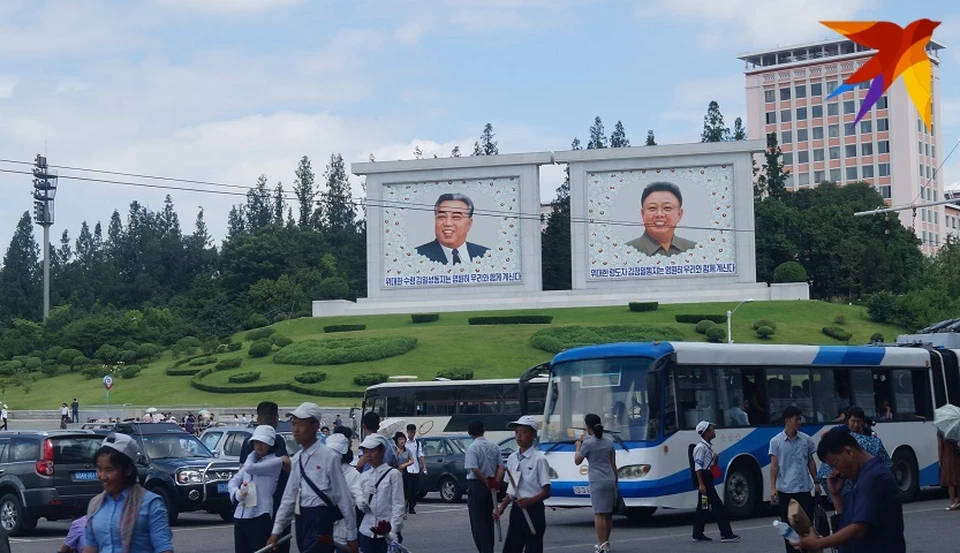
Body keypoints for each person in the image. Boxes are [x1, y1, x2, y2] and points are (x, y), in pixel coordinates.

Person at [268, 402, 358, 553]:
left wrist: (352, 534)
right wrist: (276, 532)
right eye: (293, 424)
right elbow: (289, 499)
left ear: (315, 426)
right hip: (302, 518)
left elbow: (343, 497)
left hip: (320, 518)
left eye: (301, 425)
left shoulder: (329, 457)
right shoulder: (297, 459)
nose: (295, 430)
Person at [797, 428, 905, 552]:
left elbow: (859, 529)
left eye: (835, 464)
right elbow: (848, 523)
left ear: (849, 452)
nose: (835, 471)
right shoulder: (860, 477)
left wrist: (818, 543)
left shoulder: (874, 477)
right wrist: (836, 496)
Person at [83, 433, 174, 553]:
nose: (102, 476)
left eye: (109, 470)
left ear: (127, 470)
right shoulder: (95, 505)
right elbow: (90, 547)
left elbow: (163, 548)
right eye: (99, 469)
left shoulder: (151, 503)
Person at [494, 415, 551, 553]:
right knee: (511, 548)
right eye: (517, 432)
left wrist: (530, 500)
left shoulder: (539, 459)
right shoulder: (513, 458)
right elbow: (512, 488)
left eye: (523, 432)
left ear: (533, 435)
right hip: (517, 509)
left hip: (533, 509)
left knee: (533, 548)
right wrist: (501, 507)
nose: (519, 436)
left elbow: (547, 491)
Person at [241, 402, 292, 553]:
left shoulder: (247, 441)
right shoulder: (277, 439)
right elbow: (286, 463)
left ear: (257, 418)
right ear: (276, 419)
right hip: (276, 502)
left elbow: (242, 472)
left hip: (251, 505)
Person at [768, 406, 819, 553]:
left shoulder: (806, 440)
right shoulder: (776, 441)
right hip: (786, 491)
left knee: (806, 526)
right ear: (787, 420)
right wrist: (772, 487)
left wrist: (816, 481)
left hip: (803, 490)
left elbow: (810, 462)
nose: (799, 422)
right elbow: (774, 466)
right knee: (789, 529)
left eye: (800, 418)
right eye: (796, 419)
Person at [229, 425, 284, 553]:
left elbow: (249, 468)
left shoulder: (275, 462)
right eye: (256, 442)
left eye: (263, 442)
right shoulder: (252, 460)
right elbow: (233, 481)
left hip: (260, 515)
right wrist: (237, 494)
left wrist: (251, 453)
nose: (259, 445)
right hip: (241, 515)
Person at [574, 414, 618, 553]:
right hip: (610, 479)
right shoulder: (609, 442)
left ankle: (602, 544)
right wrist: (616, 481)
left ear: (587, 427)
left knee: (598, 513)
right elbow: (613, 464)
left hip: (596, 480)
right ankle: (606, 542)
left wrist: (577, 446)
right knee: (607, 513)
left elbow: (577, 461)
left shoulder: (588, 443)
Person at [691, 421, 739, 543]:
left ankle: (697, 533)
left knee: (703, 507)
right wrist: (701, 484)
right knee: (719, 507)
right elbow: (698, 467)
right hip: (705, 482)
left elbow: (714, 471)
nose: (714, 431)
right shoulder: (700, 448)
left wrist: (716, 461)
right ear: (706, 432)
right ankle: (726, 534)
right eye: (712, 429)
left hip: (708, 479)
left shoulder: (708, 447)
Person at [356, 433, 405, 553]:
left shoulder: (393, 475)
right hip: (367, 531)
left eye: (372, 451)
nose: (368, 455)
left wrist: (393, 530)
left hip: (386, 532)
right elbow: (359, 493)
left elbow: (398, 505)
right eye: (365, 452)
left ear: (382, 450)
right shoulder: (365, 476)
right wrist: (360, 502)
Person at [625, 181, 696, 256]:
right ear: (643, 214)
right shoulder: (626, 252)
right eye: (652, 208)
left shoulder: (694, 250)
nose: (659, 214)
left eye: (667, 208)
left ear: (679, 214)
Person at [416, 193, 490, 264]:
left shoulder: (486, 256)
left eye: (456, 217)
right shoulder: (417, 257)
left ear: (469, 224)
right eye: (442, 217)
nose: (448, 223)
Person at [464, 420, 504, 553]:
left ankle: (484, 550)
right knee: (489, 520)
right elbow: (500, 467)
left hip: (477, 485)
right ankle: (489, 549)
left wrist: (485, 483)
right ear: (484, 430)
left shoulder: (472, 448)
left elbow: (474, 469)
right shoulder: (494, 446)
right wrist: (495, 483)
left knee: (478, 522)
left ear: (469, 432)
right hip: (491, 485)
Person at [327, 432, 363, 549]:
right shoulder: (322, 472)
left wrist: (363, 502)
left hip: (343, 533)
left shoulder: (353, 475)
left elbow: (359, 497)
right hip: (324, 530)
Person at [403, 423, 426, 514]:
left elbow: (420, 455)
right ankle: (406, 506)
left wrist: (424, 466)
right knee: (407, 489)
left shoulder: (417, 443)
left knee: (414, 489)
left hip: (415, 468)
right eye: (410, 433)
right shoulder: (404, 442)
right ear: (407, 432)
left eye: (413, 433)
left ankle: (412, 507)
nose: (412, 434)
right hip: (407, 468)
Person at [937, 429, 960, 510]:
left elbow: (940, 446)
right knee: (958, 479)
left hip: (947, 457)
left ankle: (952, 502)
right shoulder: (957, 428)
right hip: (957, 456)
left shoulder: (941, 431)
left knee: (950, 480)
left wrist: (940, 460)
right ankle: (959, 502)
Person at [393, 433, 413, 512]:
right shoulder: (393, 450)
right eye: (400, 439)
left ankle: (404, 509)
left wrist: (405, 464)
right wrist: (397, 453)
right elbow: (392, 461)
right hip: (395, 472)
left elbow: (412, 460)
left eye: (403, 439)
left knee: (406, 492)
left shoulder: (407, 450)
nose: (402, 441)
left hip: (404, 472)